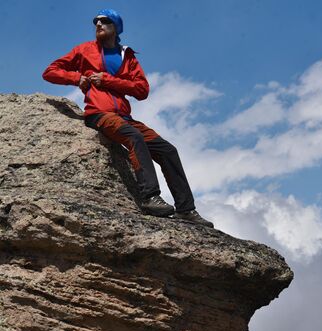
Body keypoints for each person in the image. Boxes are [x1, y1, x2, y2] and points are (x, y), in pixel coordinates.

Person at [42, 9, 213, 228]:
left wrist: (108, 81)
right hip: (99, 114)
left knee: (167, 150)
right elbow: (50, 71)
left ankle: (186, 210)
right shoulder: (84, 50)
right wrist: (77, 78)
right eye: (96, 21)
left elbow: (142, 90)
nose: (98, 24)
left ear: (116, 27)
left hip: (124, 116)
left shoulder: (127, 56)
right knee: (133, 137)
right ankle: (150, 197)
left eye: (105, 21)